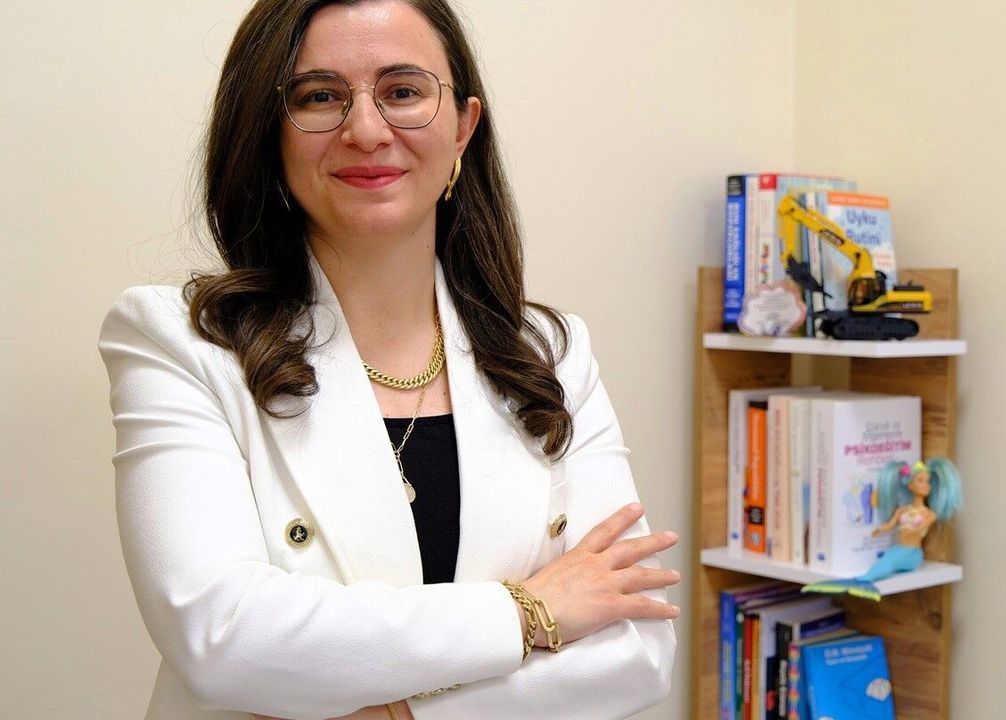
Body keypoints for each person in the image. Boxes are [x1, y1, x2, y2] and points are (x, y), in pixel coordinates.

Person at [96, 1, 679, 718]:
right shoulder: (179, 340)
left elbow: (636, 647)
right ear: (270, 132)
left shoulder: (550, 352)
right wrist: (528, 612)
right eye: (319, 97)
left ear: (463, 126)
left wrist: (402, 713)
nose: (366, 130)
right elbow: (220, 637)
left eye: (403, 91)